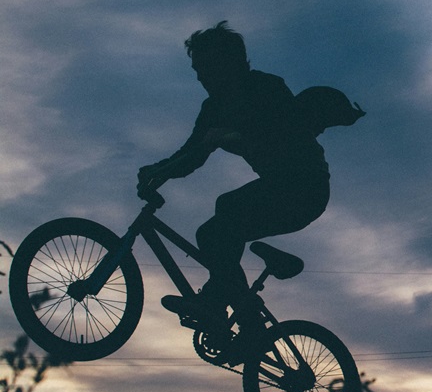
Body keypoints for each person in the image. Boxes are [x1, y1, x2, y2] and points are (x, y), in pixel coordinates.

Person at [137, 21, 331, 324]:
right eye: (197, 70)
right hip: (277, 188)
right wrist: (158, 170)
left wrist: (230, 136)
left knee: (227, 209)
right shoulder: (212, 108)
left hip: (307, 187)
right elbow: (192, 155)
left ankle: (236, 309)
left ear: (230, 62)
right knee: (214, 233)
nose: (201, 76)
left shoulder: (267, 87)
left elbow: (280, 133)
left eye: (207, 67)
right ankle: (237, 318)